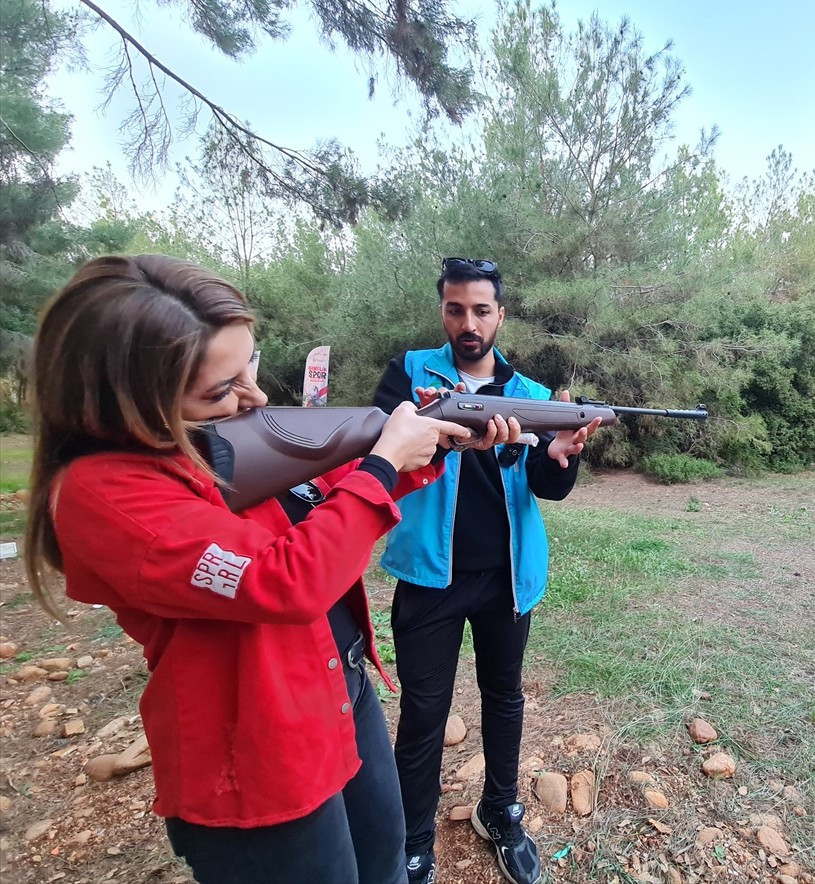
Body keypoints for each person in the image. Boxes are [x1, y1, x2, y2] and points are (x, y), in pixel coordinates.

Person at [22, 255, 518, 884]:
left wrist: (431, 447)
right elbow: (282, 580)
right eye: (220, 389)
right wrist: (384, 464)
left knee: (386, 866)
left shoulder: (215, 444)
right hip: (256, 752)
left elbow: (320, 491)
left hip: (341, 689)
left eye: (248, 369)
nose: (254, 397)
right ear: (129, 402)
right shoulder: (107, 493)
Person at [373, 257, 599, 884]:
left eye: (480, 310)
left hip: (506, 577)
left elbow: (546, 486)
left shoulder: (526, 396)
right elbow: (382, 452)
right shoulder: (410, 375)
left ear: (500, 315)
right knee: (423, 714)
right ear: (443, 310)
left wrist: (557, 455)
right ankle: (414, 840)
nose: (468, 323)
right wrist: (453, 432)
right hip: (428, 576)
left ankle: (500, 811)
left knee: (504, 700)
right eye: (455, 309)